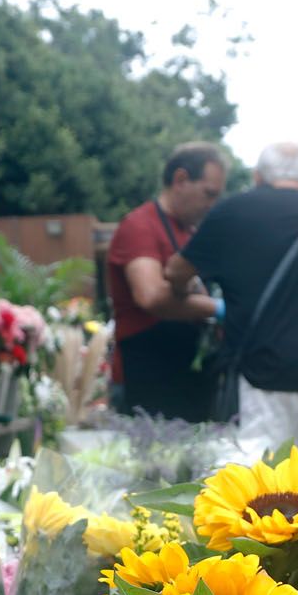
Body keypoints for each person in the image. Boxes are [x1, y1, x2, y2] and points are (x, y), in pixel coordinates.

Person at [167, 142, 298, 454]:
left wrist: (188, 289)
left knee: (263, 490)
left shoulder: (232, 212)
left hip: (267, 376)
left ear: (257, 178)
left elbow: (176, 271)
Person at [104, 142, 228, 420]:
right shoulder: (140, 226)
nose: (211, 205)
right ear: (180, 179)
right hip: (146, 375)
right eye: (208, 194)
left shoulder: (189, 232)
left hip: (185, 375)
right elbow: (149, 296)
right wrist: (216, 309)